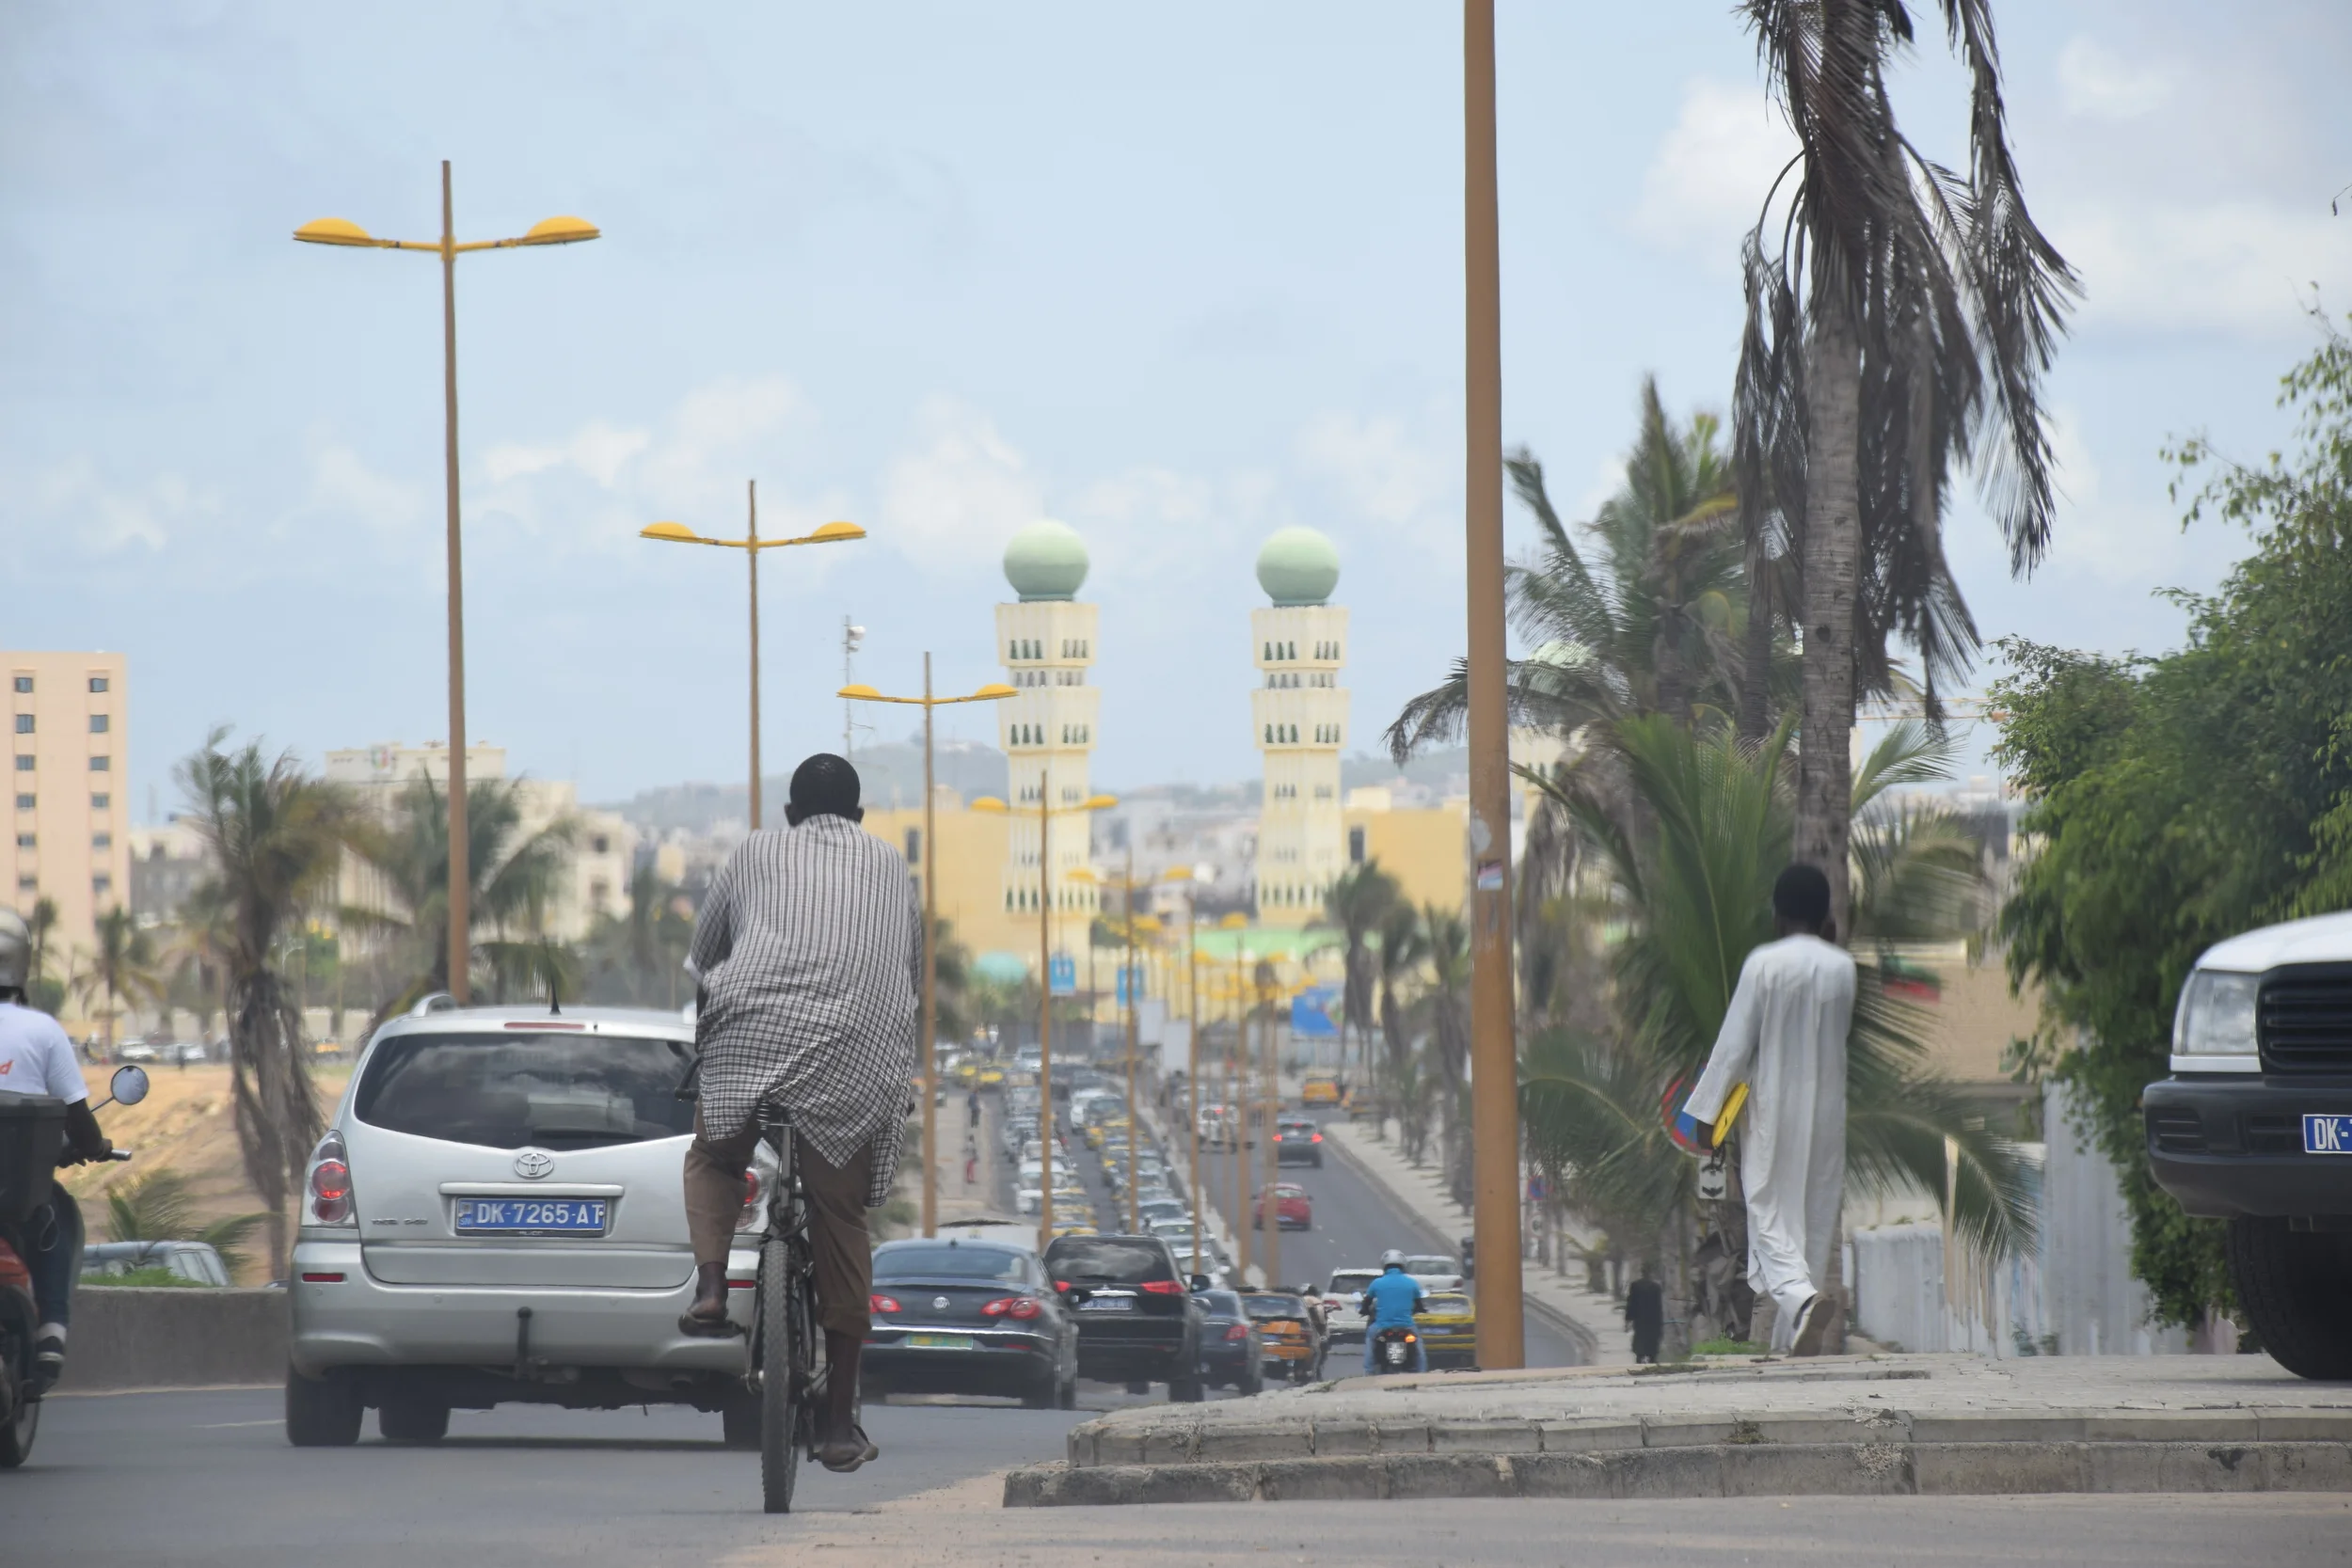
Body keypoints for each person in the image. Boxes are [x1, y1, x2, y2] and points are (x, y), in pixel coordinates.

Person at [675, 754, 920, 1474]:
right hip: (854, 1051)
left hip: (753, 1031)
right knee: (840, 1221)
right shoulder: (889, 864)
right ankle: (839, 1423)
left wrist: (715, 1039)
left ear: (790, 814)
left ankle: (714, 1285)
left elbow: (705, 956)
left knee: (714, 1156)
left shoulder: (754, 848)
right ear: (860, 817)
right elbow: (906, 973)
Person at [1678, 863, 1856, 1358]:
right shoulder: (1843, 969)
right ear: (1827, 920)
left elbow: (1734, 1046)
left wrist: (1707, 1114)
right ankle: (1792, 1340)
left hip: (1774, 1107)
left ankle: (1799, 1302)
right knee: (1814, 1217)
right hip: (1827, 1111)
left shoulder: (1764, 964)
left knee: (1768, 1213)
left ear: (1777, 917)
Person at [0, 909, 114, 1386]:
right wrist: (95, 1145)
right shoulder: (43, 1030)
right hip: (19, 1191)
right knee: (53, 1217)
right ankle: (51, 1331)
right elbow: (76, 1113)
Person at [1357, 1248, 1429, 1374]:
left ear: (1384, 1265)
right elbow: (1419, 1305)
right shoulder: (1412, 1283)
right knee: (1418, 1346)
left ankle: (1368, 1372)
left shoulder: (1377, 1283)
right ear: (1403, 1265)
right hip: (1406, 1325)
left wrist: (1364, 1311)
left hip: (1382, 1325)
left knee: (1370, 1338)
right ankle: (1422, 1372)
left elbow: (1366, 1303)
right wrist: (1420, 1310)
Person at [1624, 1273, 1664, 1365]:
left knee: (1640, 1339)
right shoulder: (1656, 1287)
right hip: (1654, 1319)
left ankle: (1640, 1359)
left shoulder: (1635, 1286)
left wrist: (1628, 1319)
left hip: (1640, 1319)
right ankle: (1652, 1360)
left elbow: (1631, 1303)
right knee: (1652, 1342)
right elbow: (1659, 1306)